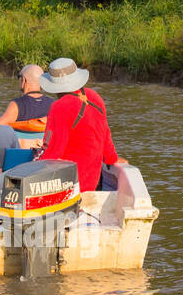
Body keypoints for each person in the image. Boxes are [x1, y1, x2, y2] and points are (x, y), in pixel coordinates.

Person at [35, 57, 127, 193]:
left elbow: (52, 153)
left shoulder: (60, 106)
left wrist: (34, 162)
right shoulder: (94, 96)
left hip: (69, 183)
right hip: (92, 182)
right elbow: (105, 137)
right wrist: (112, 158)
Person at [0, 64, 56, 134]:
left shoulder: (16, 105)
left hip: (22, 144)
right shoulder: (53, 104)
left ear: (23, 80)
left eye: (19, 77)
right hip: (43, 143)